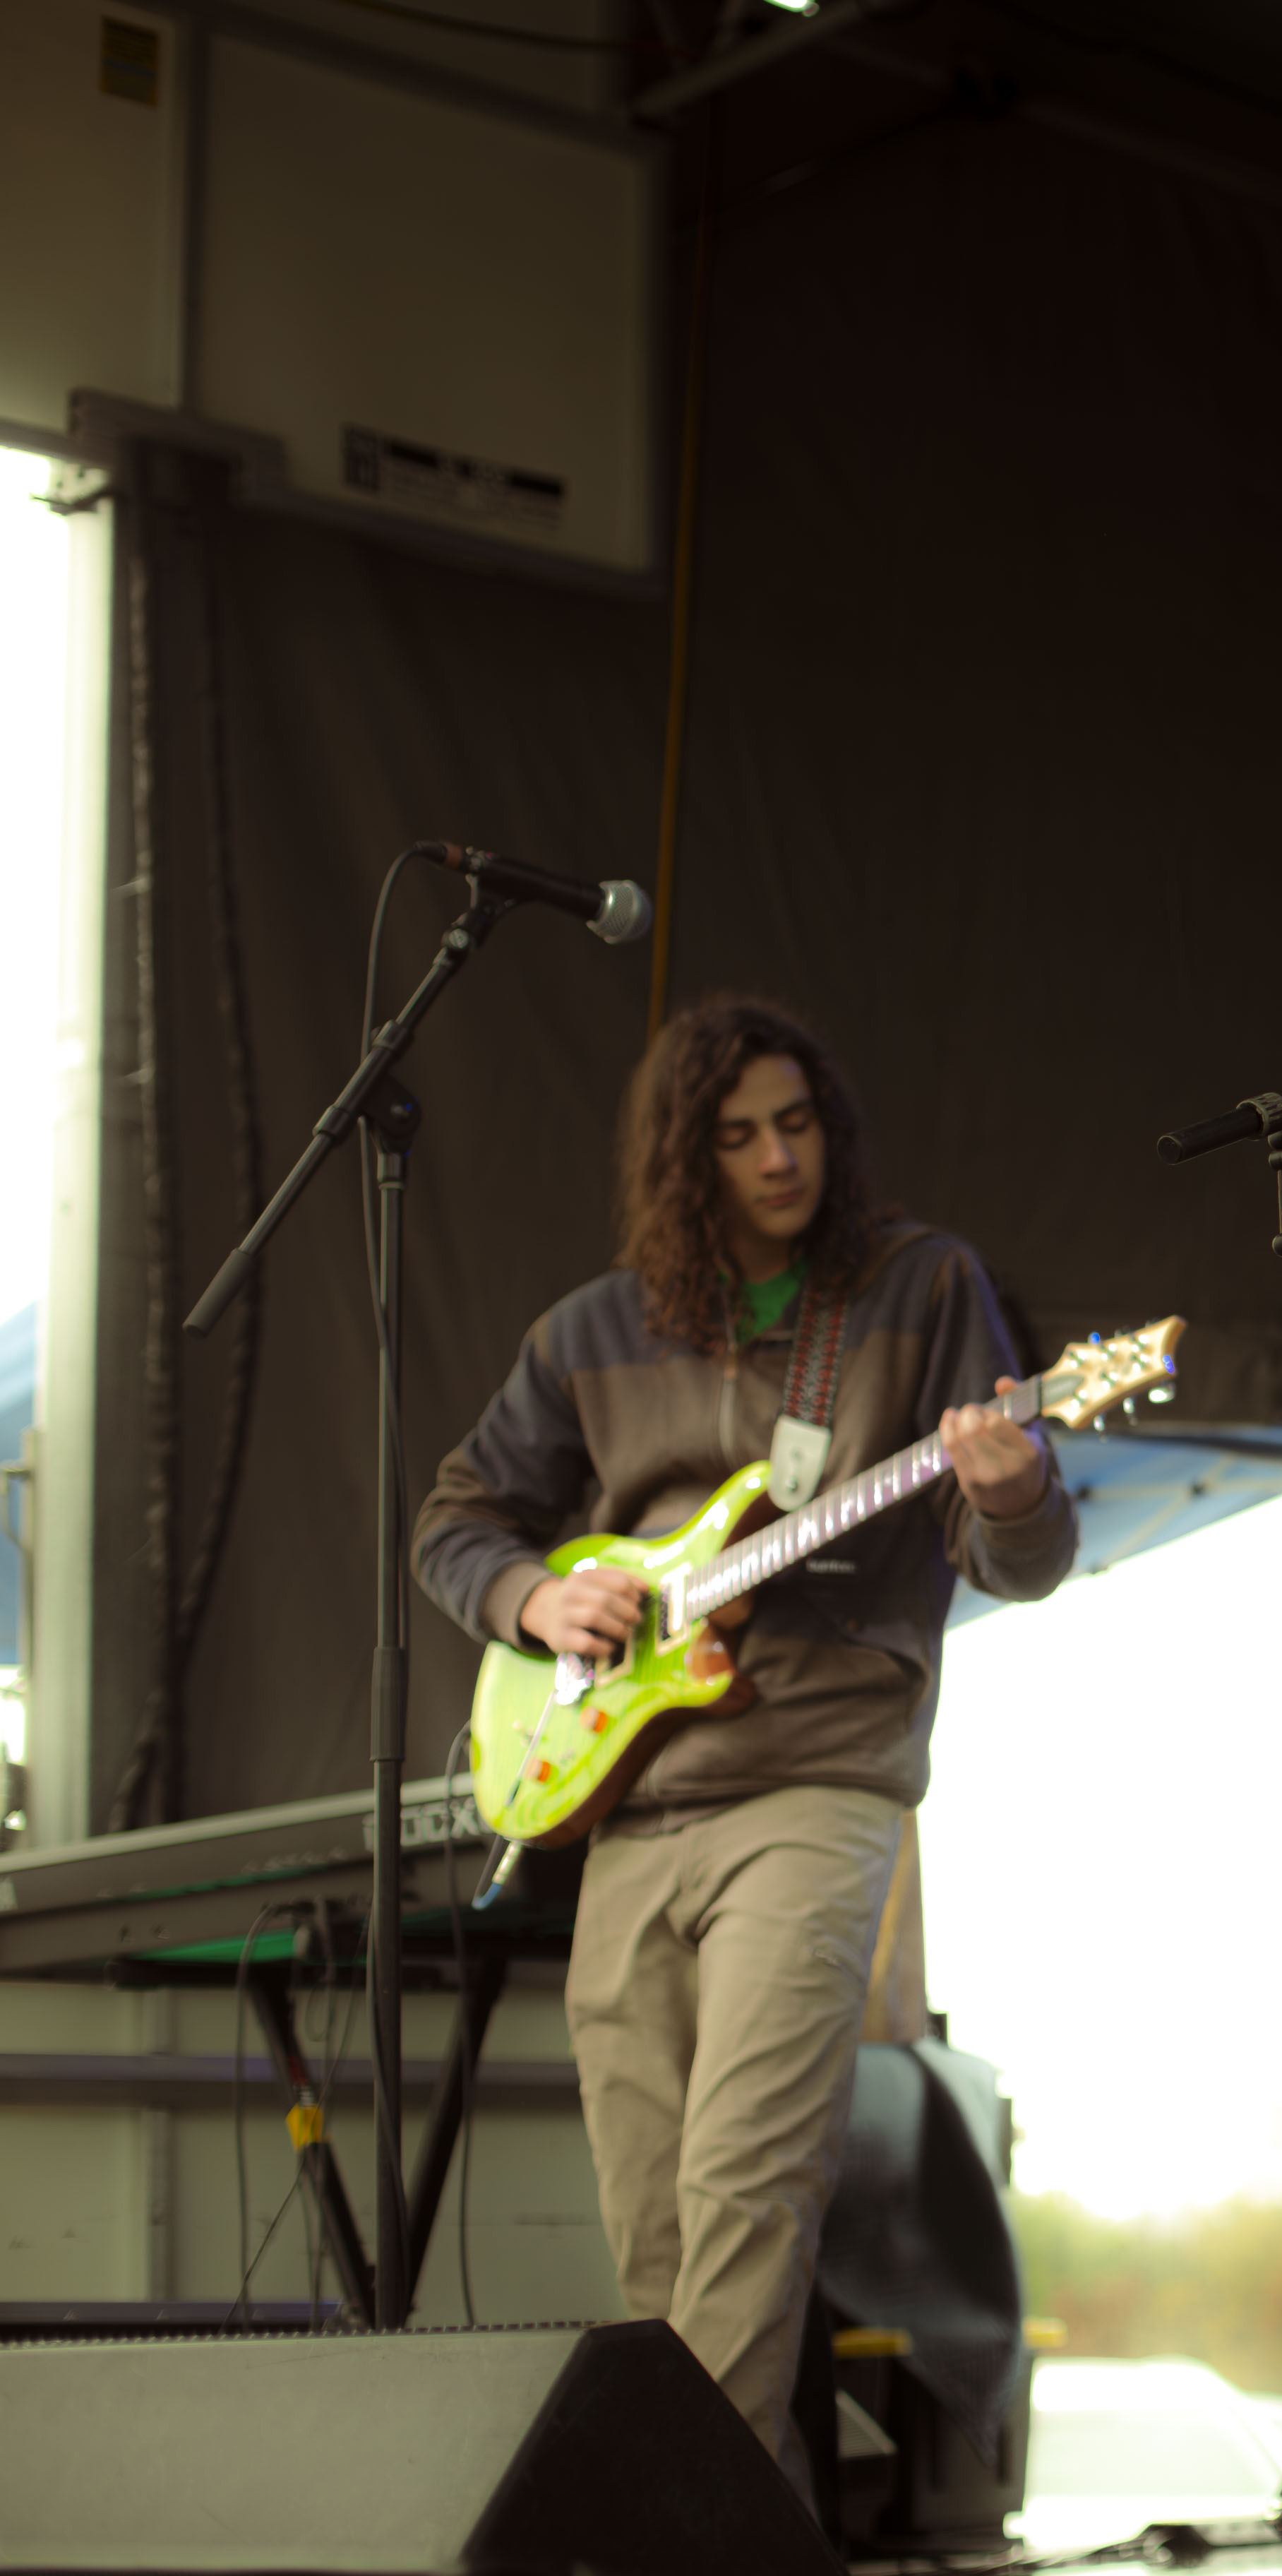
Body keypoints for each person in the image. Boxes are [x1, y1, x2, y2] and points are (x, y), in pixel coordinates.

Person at [414, 996, 1074, 2491]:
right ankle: (733, 2528)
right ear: (685, 1157)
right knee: (652, 2218)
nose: (779, 1156)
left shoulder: (922, 1288)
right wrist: (535, 1598)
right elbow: (454, 1524)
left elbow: (1014, 1559)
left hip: (820, 1778)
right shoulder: (592, 1328)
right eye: (738, 1133)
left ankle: (697, 2538)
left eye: (798, 1122)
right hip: (627, 1798)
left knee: (747, 2185)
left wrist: (1018, 1484)